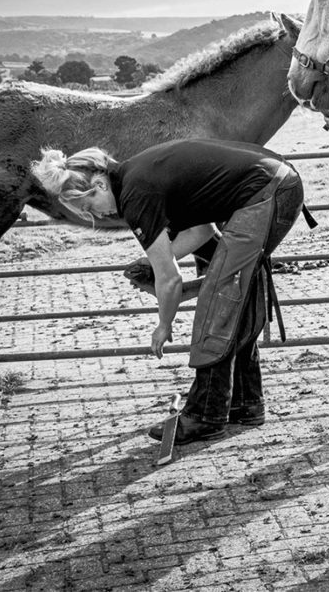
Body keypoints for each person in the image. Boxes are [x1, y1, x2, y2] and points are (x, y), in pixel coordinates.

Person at [30, 138, 305, 445]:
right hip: (276, 184)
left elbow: (170, 279)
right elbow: (200, 231)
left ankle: (205, 416)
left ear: (100, 185)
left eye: (87, 206)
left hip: (266, 193)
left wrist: (164, 324)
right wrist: (155, 262)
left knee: (220, 300)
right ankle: (245, 402)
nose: (95, 217)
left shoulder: (136, 196)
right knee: (230, 293)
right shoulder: (137, 178)